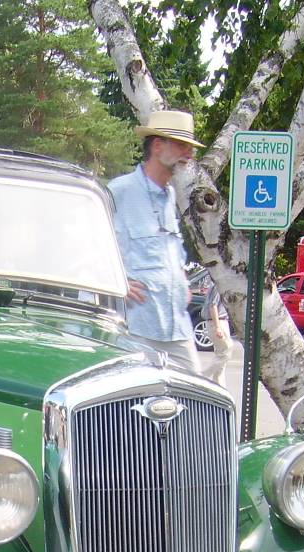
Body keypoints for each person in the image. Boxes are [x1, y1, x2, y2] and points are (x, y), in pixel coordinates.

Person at [107, 110, 204, 378]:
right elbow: (88, 244)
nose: (190, 154)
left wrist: (180, 280)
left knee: (196, 394)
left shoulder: (170, 195)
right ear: (158, 146)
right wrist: (114, 282)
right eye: (183, 145)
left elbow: (167, 253)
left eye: (191, 147)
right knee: (132, 406)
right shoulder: (120, 191)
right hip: (135, 328)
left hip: (176, 326)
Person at [202, 282, 232, 389]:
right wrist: (218, 327)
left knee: (220, 354)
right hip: (218, 321)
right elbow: (212, 306)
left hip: (220, 321)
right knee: (226, 352)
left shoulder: (216, 285)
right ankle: (202, 376)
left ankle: (219, 386)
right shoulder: (217, 285)